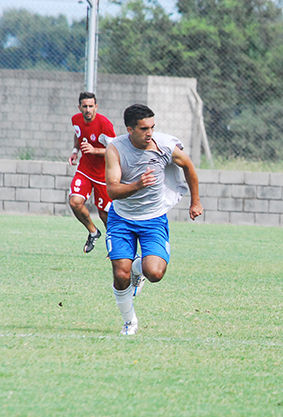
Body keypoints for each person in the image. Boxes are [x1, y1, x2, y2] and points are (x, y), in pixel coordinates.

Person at [104, 104, 202, 335]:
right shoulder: (115, 149)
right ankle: (129, 322)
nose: (150, 133)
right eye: (144, 129)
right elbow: (112, 190)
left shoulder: (164, 145)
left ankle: (138, 269)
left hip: (153, 219)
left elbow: (188, 166)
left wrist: (195, 201)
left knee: (155, 273)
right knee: (120, 275)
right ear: (130, 129)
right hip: (122, 218)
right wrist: (138, 184)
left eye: (152, 127)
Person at [68, 92, 116, 253]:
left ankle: (115, 247)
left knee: (105, 215)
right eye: (84, 106)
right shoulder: (76, 119)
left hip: (103, 174)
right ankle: (93, 232)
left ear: (96, 107)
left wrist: (95, 150)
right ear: (79, 107)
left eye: (91, 106)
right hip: (85, 170)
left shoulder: (105, 124)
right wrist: (75, 150)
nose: (88, 110)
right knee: (74, 202)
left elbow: (115, 150)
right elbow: (78, 134)